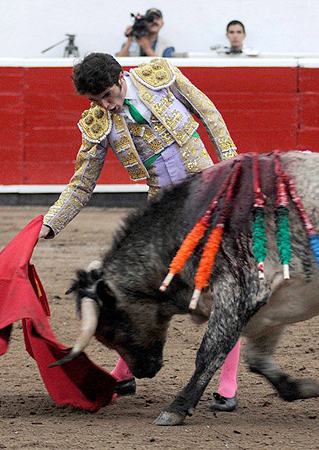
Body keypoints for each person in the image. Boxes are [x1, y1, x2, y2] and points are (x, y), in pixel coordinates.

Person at [38, 52, 240, 412]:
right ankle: (125, 372)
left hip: (208, 196)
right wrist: (51, 222)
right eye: (96, 100)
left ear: (120, 77)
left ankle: (227, 383)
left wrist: (230, 165)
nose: (105, 105)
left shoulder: (159, 77)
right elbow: (81, 185)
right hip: (161, 216)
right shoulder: (99, 123)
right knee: (143, 294)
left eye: (108, 95)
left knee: (220, 285)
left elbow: (208, 113)